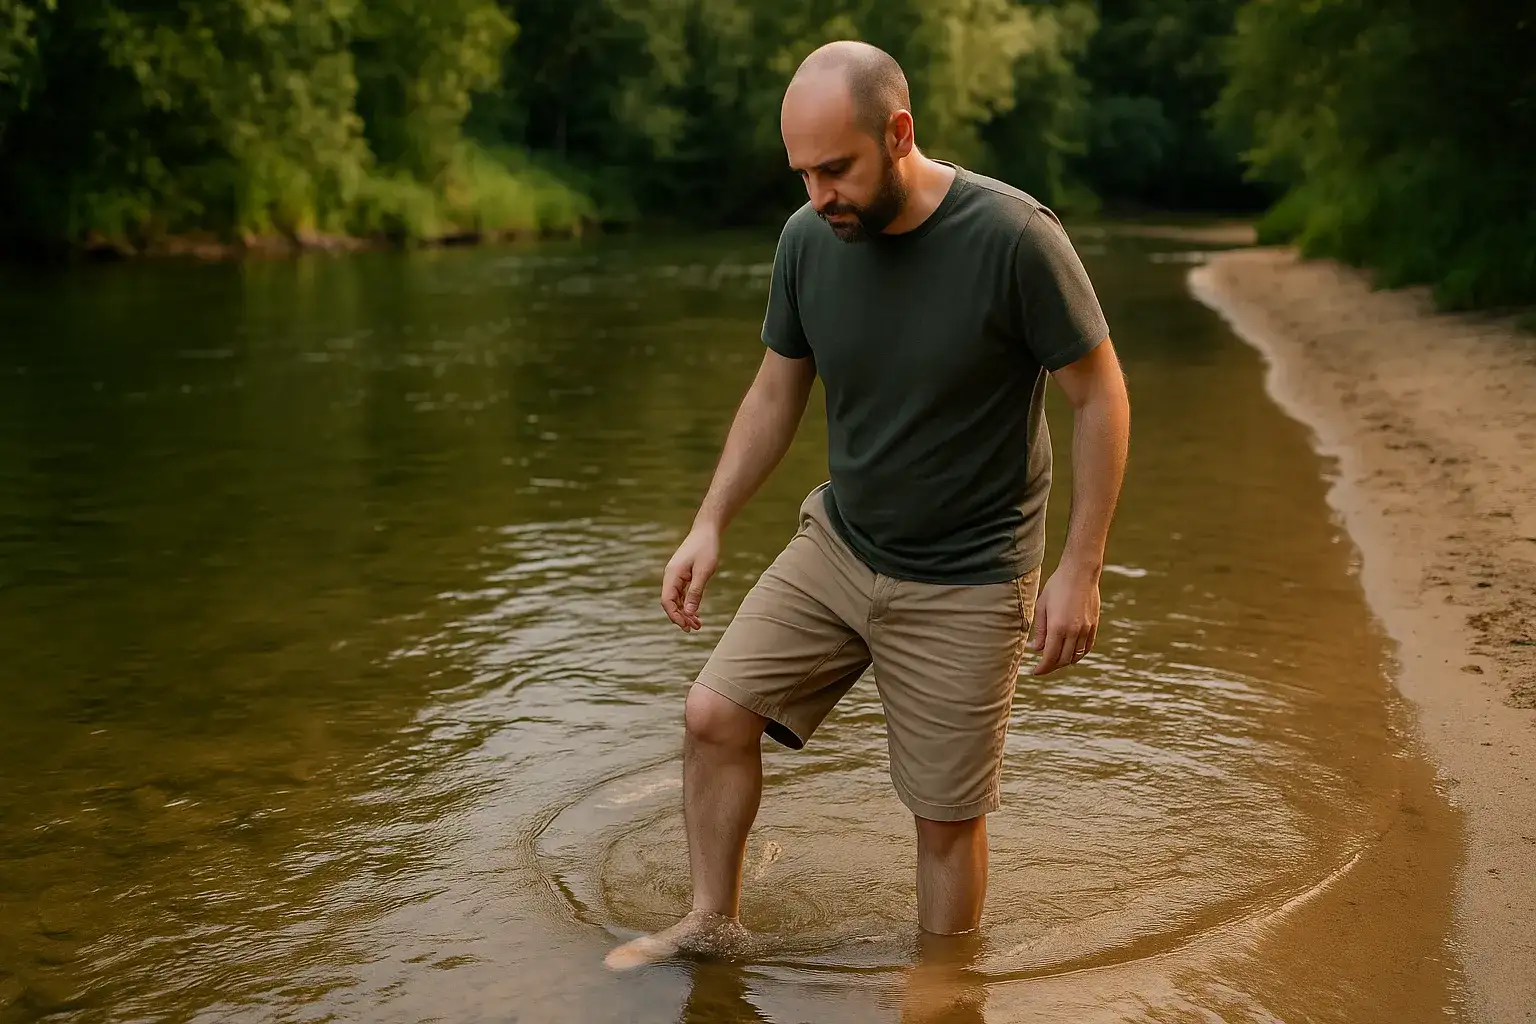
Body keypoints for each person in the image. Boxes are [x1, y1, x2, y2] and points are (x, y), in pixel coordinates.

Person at [605, 39, 1130, 971]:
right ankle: (710, 921)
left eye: (836, 169)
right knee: (712, 716)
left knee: (943, 820)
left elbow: (1100, 396)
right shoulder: (807, 241)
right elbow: (775, 394)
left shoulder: (1014, 238)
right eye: (802, 173)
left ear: (899, 133)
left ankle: (943, 982)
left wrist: (1079, 568)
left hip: (970, 576)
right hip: (840, 544)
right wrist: (709, 520)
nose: (818, 196)